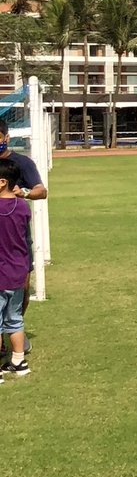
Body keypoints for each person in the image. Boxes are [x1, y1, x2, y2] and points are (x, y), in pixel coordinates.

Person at [0, 120, 46, 370]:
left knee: (20, 289)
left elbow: (41, 190)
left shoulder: (21, 163)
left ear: (6, 137)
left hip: (15, 241)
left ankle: (13, 332)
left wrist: (23, 194)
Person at [0, 157, 33, 385]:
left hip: (1, 271)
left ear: (2, 182)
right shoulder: (22, 206)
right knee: (15, 319)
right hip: (18, 272)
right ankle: (19, 361)